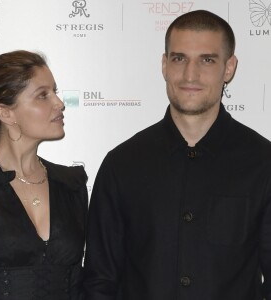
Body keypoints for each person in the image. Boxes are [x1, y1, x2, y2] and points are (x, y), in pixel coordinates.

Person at [83, 10, 271, 300]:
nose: (190, 75)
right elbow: (100, 280)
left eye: (207, 60)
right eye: (179, 58)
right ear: (164, 65)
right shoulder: (122, 164)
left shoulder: (263, 163)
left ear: (229, 68)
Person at [0, 50, 88, 299]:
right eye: (43, 95)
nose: (59, 103)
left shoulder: (71, 184)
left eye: (55, 91)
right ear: (6, 113)